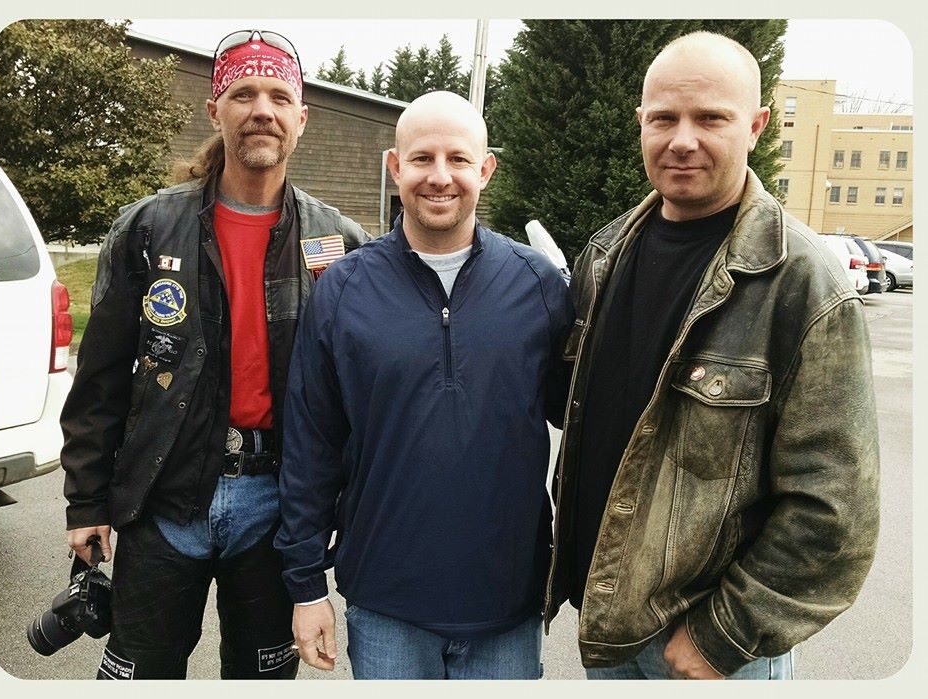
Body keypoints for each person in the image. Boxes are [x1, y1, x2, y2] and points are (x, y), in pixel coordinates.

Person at [543, 31, 880, 680]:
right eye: (664, 118)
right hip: (610, 629)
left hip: (710, 650)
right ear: (641, 123)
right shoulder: (604, 255)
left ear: (755, 126)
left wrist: (722, 636)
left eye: (711, 118)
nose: (682, 139)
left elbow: (835, 511)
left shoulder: (802, 284)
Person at [59, 29, 369, 679]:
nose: (262, 110)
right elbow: (100, 378)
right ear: (215, 110)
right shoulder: (148, 228)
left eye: (279, 96)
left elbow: (360, 393)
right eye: (244, 94)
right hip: (163, 496)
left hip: (276, 508)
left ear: (302, 118)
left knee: (261, 679)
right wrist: (86, 502)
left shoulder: (340, 242)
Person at [274, 91, 574, 680]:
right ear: (395, 166)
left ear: (485, 170)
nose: (440, 177)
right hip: (386, 602)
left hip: (506, 600)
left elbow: (584, 425)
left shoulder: (538, 286)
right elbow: (311, 446)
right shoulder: (343, 290)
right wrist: (305, 585)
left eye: (458, 159)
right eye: (421, 159)